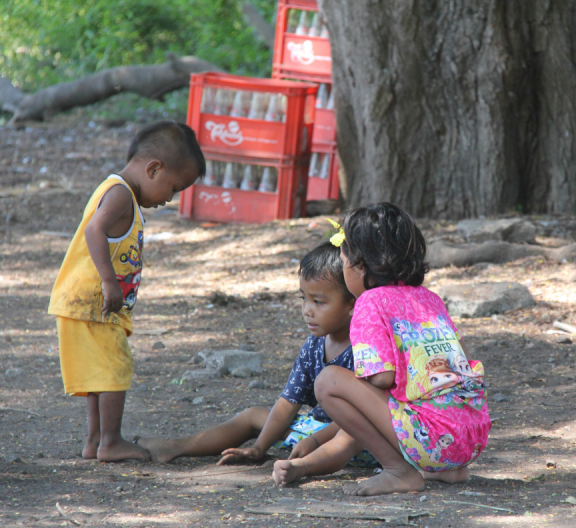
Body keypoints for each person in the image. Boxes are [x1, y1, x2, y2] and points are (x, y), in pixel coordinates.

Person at [136, 242, 376, 484]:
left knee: (351, 434)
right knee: (254, 416)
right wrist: (259, 448)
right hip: (312, 431)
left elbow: (365, 416)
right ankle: (176, 447)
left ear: (352, 304)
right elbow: (288, 402)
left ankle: (301, 467)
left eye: (319, 302)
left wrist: (314, 441)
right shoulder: (314, 344)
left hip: (356, 438)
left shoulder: (365, 348)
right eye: (304, 298)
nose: (307, 310)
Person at [48, 121, 205, 461]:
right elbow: (95, 230)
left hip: (84, 301)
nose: (169, 199)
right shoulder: (120, 195)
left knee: (98, 375)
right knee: (115, 369)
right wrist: (108, 281)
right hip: (95, 300)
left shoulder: (119, 191)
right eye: (173, 188)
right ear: (153, 169)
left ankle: (95, 442)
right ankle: (111, 442)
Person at [314, 203, 491, 496]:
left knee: (328, 382)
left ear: (359, 266)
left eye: (343, 261)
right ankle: (452, 471)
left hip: (433, 440)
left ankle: (398, 471)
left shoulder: (370, 303)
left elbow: (382, 378)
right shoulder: (430, 298)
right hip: (471, 438)